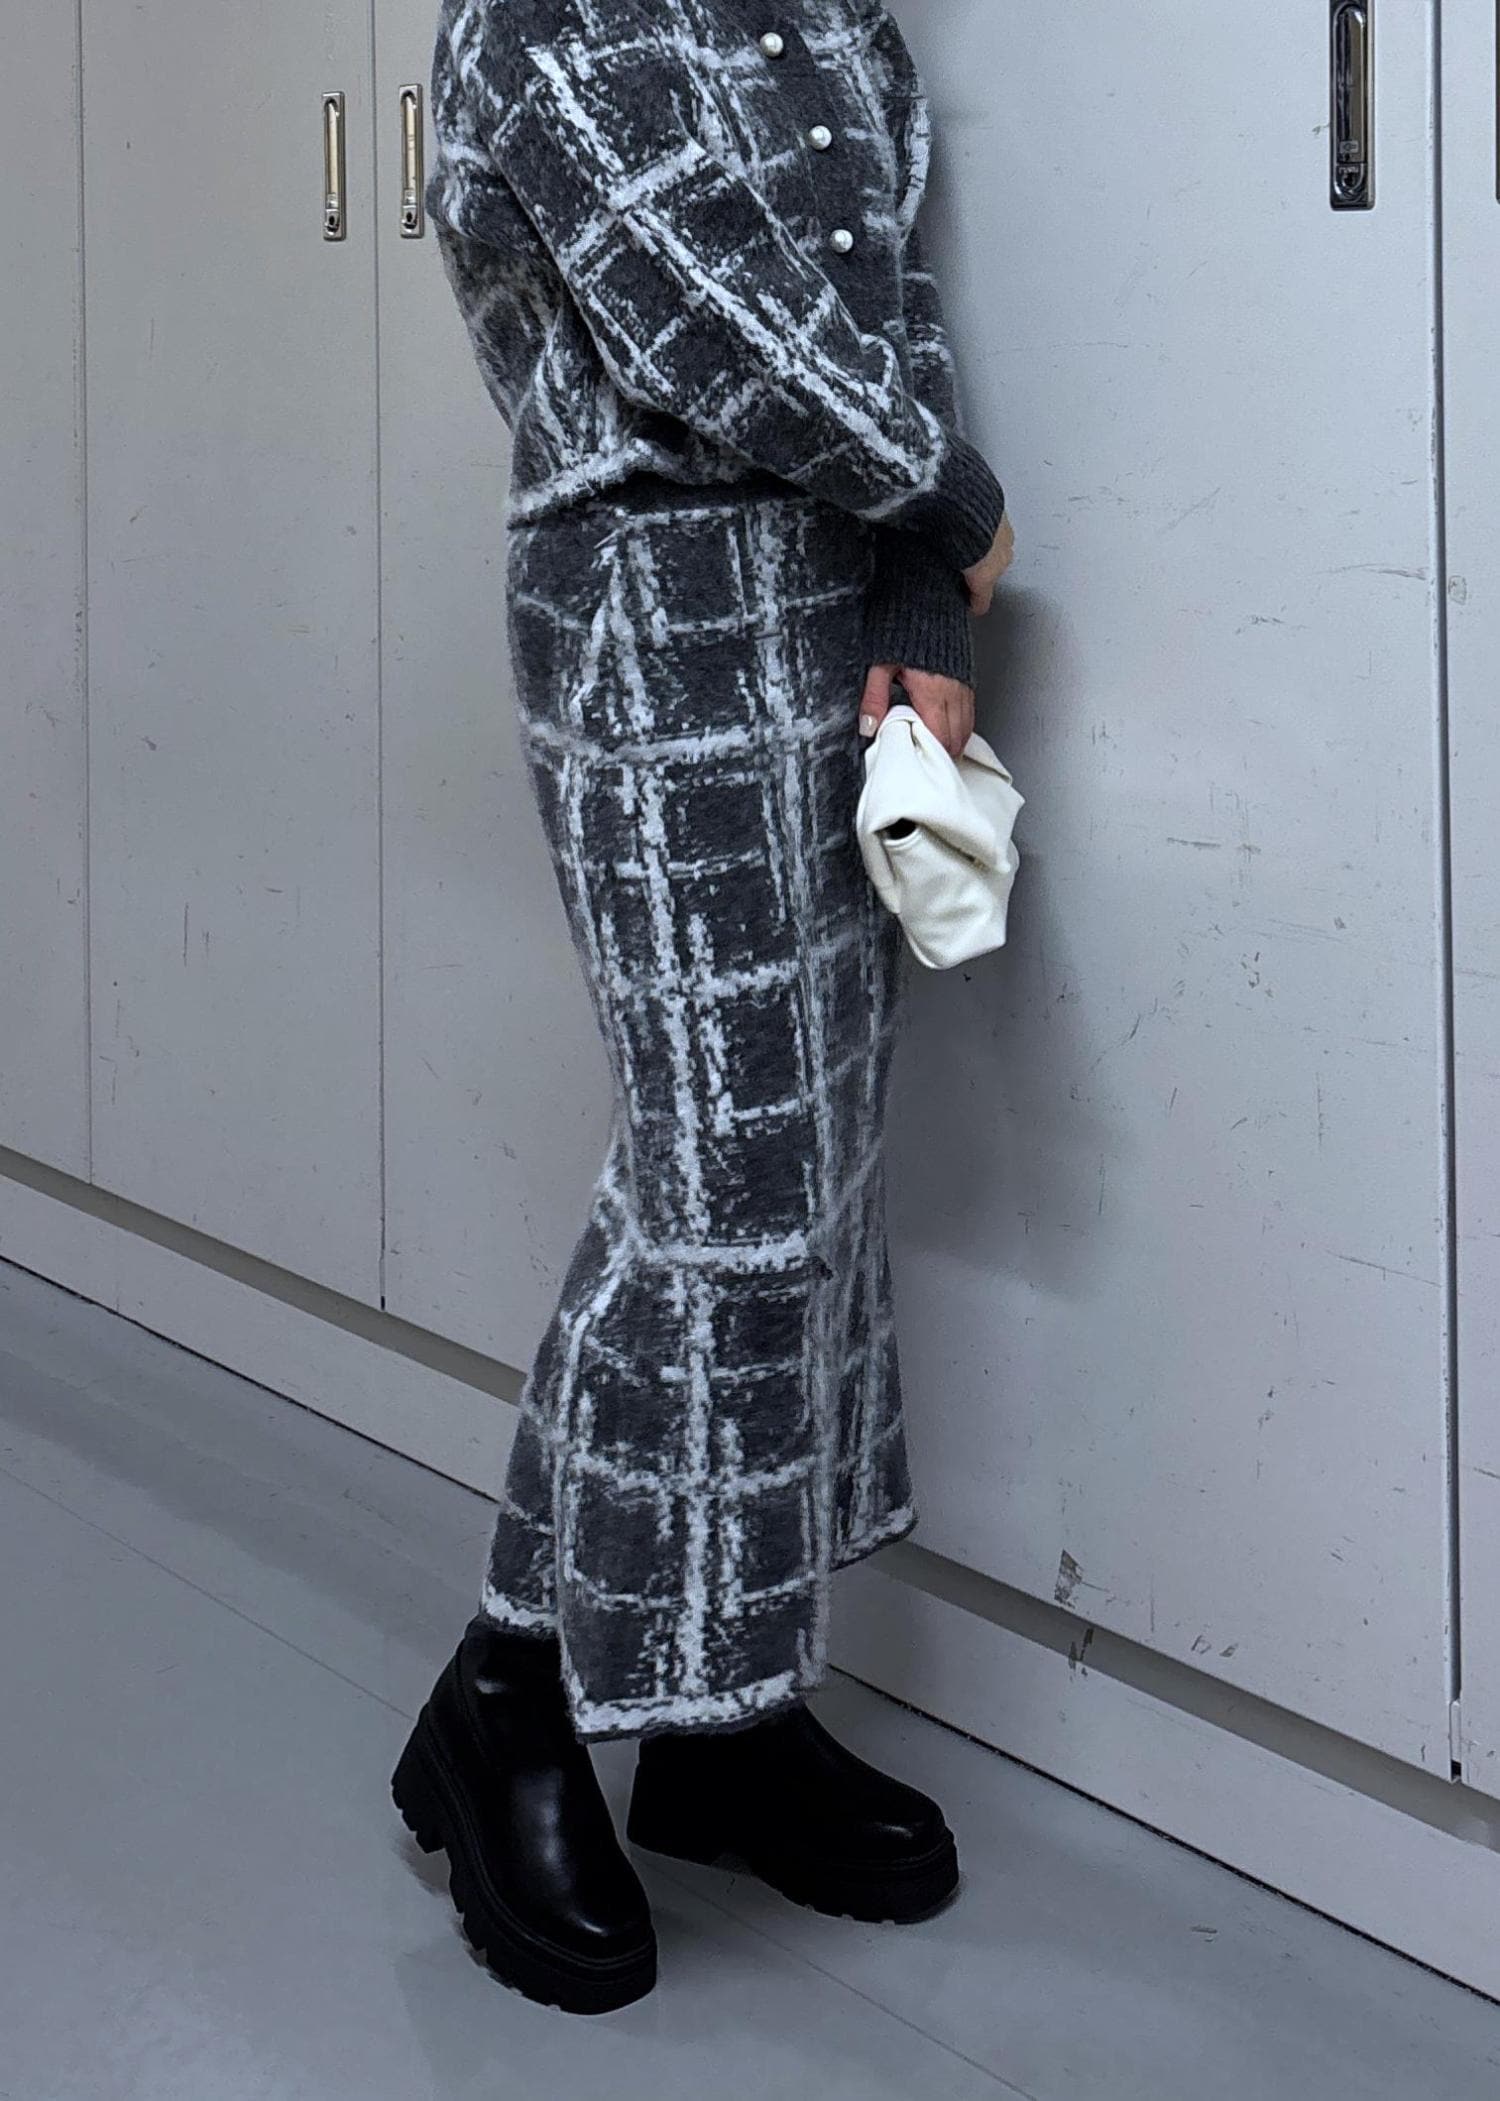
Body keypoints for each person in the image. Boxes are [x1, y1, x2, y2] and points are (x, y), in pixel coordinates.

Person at [392, 0, 1014, 2015]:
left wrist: (919, 598)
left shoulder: (839, 19)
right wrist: (950, 500)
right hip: (653, 623)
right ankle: (505, 1689)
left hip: (845, 634)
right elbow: (699, 310)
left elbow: (886, 295)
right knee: (716, 1184)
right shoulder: (541, 21)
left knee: (813, 1175)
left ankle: (722, 1712)